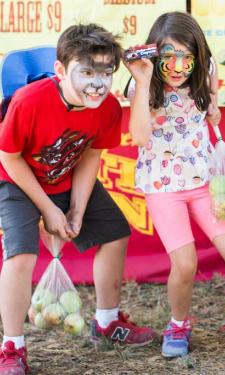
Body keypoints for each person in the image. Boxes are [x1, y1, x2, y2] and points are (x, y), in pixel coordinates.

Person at [0, 24, 156, 375]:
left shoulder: (108, 108)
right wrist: (49, 210)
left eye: (105, 72)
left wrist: (78, 209)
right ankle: (12, 345)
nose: (98, 83)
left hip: (65, 173)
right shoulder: (29, 102)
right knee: (21, 254)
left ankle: (106, 321)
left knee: (115, 233)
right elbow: (9, 158)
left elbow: (90, 155)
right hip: (17, 179)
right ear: (60, 70)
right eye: (87, 72)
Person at [124, 11, 225, 358]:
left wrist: (214, 108)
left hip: (203, 181)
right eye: (169, 55)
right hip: (163, 186)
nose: (178, 65)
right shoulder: (144, 84)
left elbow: (212, 99)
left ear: (198, 55)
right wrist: (142, 81)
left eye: (187, 55)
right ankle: (178, 323)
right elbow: (139, 136)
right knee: (185, 264)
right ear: (156, 55)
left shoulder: (206, 69)